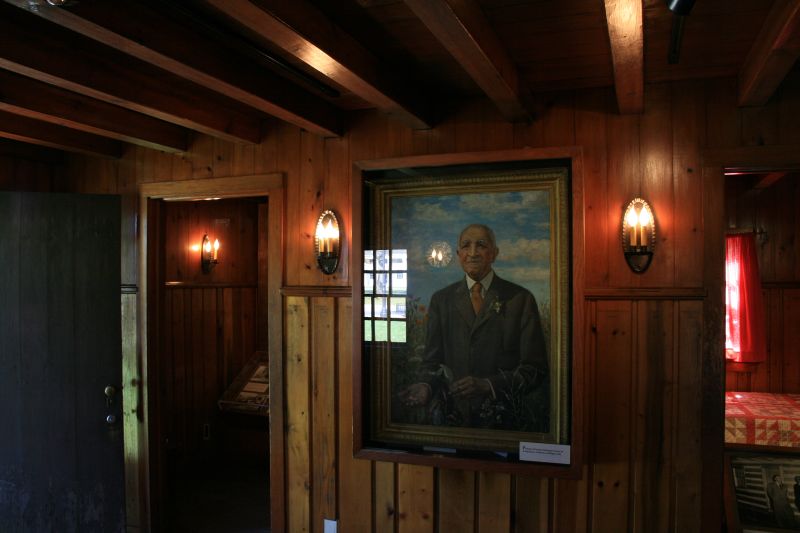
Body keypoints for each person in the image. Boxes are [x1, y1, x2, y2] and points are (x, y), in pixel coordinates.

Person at [399, 223, 548, 430]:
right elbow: (431, 363)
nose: (473, 253)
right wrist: (426, 386)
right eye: (466, 246)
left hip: (506, 423)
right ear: (458, 254)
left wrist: (489, 385)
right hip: (454, 421)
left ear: (494, 254)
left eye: (481, 245)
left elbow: (535, 370)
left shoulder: (520, 299)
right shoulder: (441, 300)